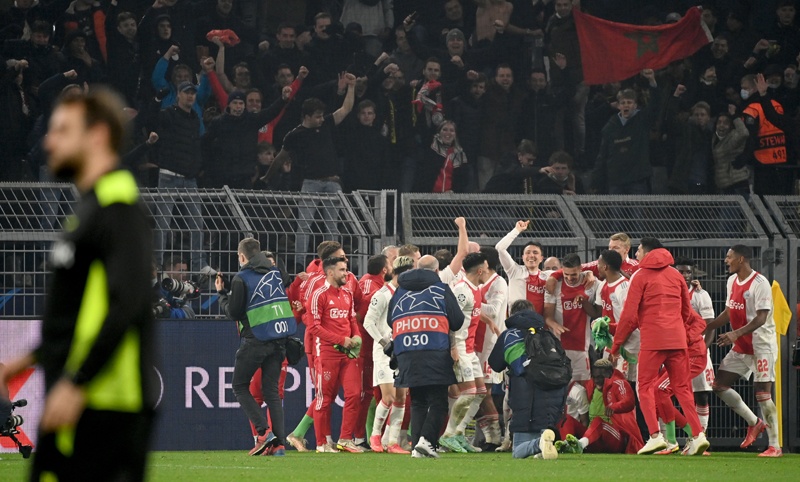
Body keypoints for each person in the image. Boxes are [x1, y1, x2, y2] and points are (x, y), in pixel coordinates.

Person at [1, 89, 155, 480]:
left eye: (62, 130)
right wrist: (25, 362)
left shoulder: (117, 206)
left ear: (97, 136)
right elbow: (79, 313)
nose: (49, 141)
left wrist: (77, 381)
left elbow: (127, 301)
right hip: (78, 400)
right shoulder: (91, 207)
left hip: (105, 405)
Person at [610, 237, 709, 456]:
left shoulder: (640, 276)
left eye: (638, 250)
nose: (636, 255)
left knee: (644, 387)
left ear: (646, 251)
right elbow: (686, 311)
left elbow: (629, 316)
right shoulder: (675, 275)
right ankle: (698, 435)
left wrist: (615, 346)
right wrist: (681, 333)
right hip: (677, 340)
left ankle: (655, 437)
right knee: (683, 389)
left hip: (653, 340)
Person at [216, 237, 295, 456]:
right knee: (272, 393)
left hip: (255, 339)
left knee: (239, 386)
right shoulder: (275, 272)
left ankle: (263, 433)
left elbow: (234, 313)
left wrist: (222, 295)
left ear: (241, 257)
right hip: (279, 340)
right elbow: (286, 282)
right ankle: (279, 445)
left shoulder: (241, 278)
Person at [271, 73, 356, 269]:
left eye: (321, 115)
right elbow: (281, 156)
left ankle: (332, 263)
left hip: (333, 181)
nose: (320, 119)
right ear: (307, 116)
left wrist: (351, 87)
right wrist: (268, 175)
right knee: (303, 225)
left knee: (331, 226)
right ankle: (300, 265)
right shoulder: (295, 135)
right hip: (310, 182)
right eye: (317, 116)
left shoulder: (326, 124)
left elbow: (346, 108)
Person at [705, 245, 781, 457]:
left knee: (762, 393)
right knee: (719, 385)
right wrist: (706, 327)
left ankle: (775, 446)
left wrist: (735, 334)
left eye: (729, 257)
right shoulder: (731, 281)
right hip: (741, 346)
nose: (725, 260)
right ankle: (754, 423)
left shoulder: (760, 283)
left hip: (761, 345)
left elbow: (761, 318)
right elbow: (729, 312)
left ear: (741, 258)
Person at [388, 255, 465, 458]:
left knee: (418, 401)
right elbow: (457, 321)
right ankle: (427, 441)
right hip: (434, 350)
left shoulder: (400, 290)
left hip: (405, 351)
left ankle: (417, 447)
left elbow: (390, 320)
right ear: (437, 271)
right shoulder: (441, 288)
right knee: (438, 401)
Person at [487, 299, 561, 460]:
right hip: (550, 398)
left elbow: (495, 364)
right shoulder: (547, 334)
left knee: (518, 451)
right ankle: (544, 443)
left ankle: (539, 444)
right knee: (542, 435)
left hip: (523, 395)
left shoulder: (509, 335)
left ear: (513, 315)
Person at [440, 252, 498, 453]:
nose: (488, 272)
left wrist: (488, 320)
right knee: (469, 393)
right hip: (460, 347)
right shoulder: (461, 290)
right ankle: (448, 435)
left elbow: (471, 310)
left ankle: (459, 433)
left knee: (480, 392)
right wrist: (452, 346)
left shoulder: (475, 288)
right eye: (487, 268)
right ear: (481, 270)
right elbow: (448, 318)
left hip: (470, 348)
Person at [308, 256, 363, 453]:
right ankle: (321, 443)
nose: (346, 273)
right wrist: (341, 340)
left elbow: (352, 319)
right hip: (327, 354)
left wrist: (356, 335)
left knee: (355, 394)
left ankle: (346, 439)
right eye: (341, 270)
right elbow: (313, 327)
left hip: (347, 355)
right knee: (324, 398)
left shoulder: (347, 293)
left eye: (346, 269)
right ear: (330, 272)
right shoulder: (319, 295)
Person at [362, 255, 415, 454]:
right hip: (385, 353)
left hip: (403, 351)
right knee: (389, 396)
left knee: (401, 397)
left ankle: (392, 442)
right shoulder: (382, 294)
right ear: (398, 274)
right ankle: (375, 435)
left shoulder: (408, 294)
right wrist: (385, 343)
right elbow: (368, 322)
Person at [592, 69, 661, 194]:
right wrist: (595, 181)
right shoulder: (610, 127)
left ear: (635, 105)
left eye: (629, 102)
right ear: (618, 106)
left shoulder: (642, 120)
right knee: (616, 214)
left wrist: (652, 81)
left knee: (636, 214)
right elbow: (602, 156)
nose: (626, 105)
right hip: (615, 181)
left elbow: (655, 106)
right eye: (623, 103)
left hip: (637, 180)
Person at [556, 359, 644, 454]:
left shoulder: (619, 383)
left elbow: (629, 401)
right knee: (566, 419)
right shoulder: (590, 386)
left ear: (610, 373)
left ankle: (580, 445)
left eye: (601, 377)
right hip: (593, 438)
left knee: (598, 421)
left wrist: (615, 407)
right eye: (595, 377)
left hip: (617, 438)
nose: (597, 380)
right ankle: (567, 447)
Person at [543, 253, 598, 382]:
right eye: (566, 274)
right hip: (559, 347)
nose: (569, 278)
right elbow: (547, 317)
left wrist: (584, 302)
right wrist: (555, 325)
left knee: (583, 387)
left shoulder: (591, 282)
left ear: (580, 269)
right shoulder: (554, 285)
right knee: (561, 386)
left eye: (573, 274)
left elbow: (595, 313)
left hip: (581, 347)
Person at [495, 220, 547, 314]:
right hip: (516, 324)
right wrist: (517, 230)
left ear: (541, 258)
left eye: (535, 253)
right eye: (527, 253)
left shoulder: (547, 276)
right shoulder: (514, 270)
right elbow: (500, 248)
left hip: (539, 325)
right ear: (523, 257)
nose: (531, 255)